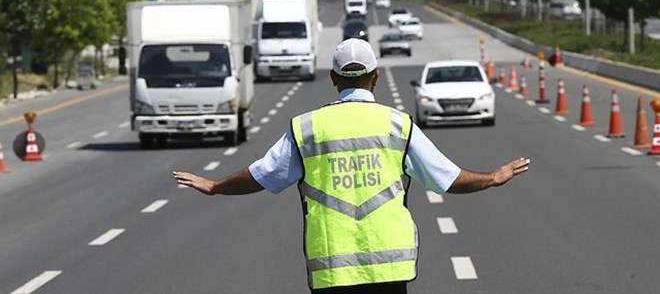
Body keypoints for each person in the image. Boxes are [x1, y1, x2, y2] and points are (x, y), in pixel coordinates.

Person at [173, 38, 531, 294]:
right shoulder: (397, 124)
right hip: (390, 268)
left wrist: (215, 185)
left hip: (332, 270)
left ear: (333, 79)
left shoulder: (307, 128)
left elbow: (262, 175)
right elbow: (447, 179)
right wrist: (493, 177)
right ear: (375, 78)